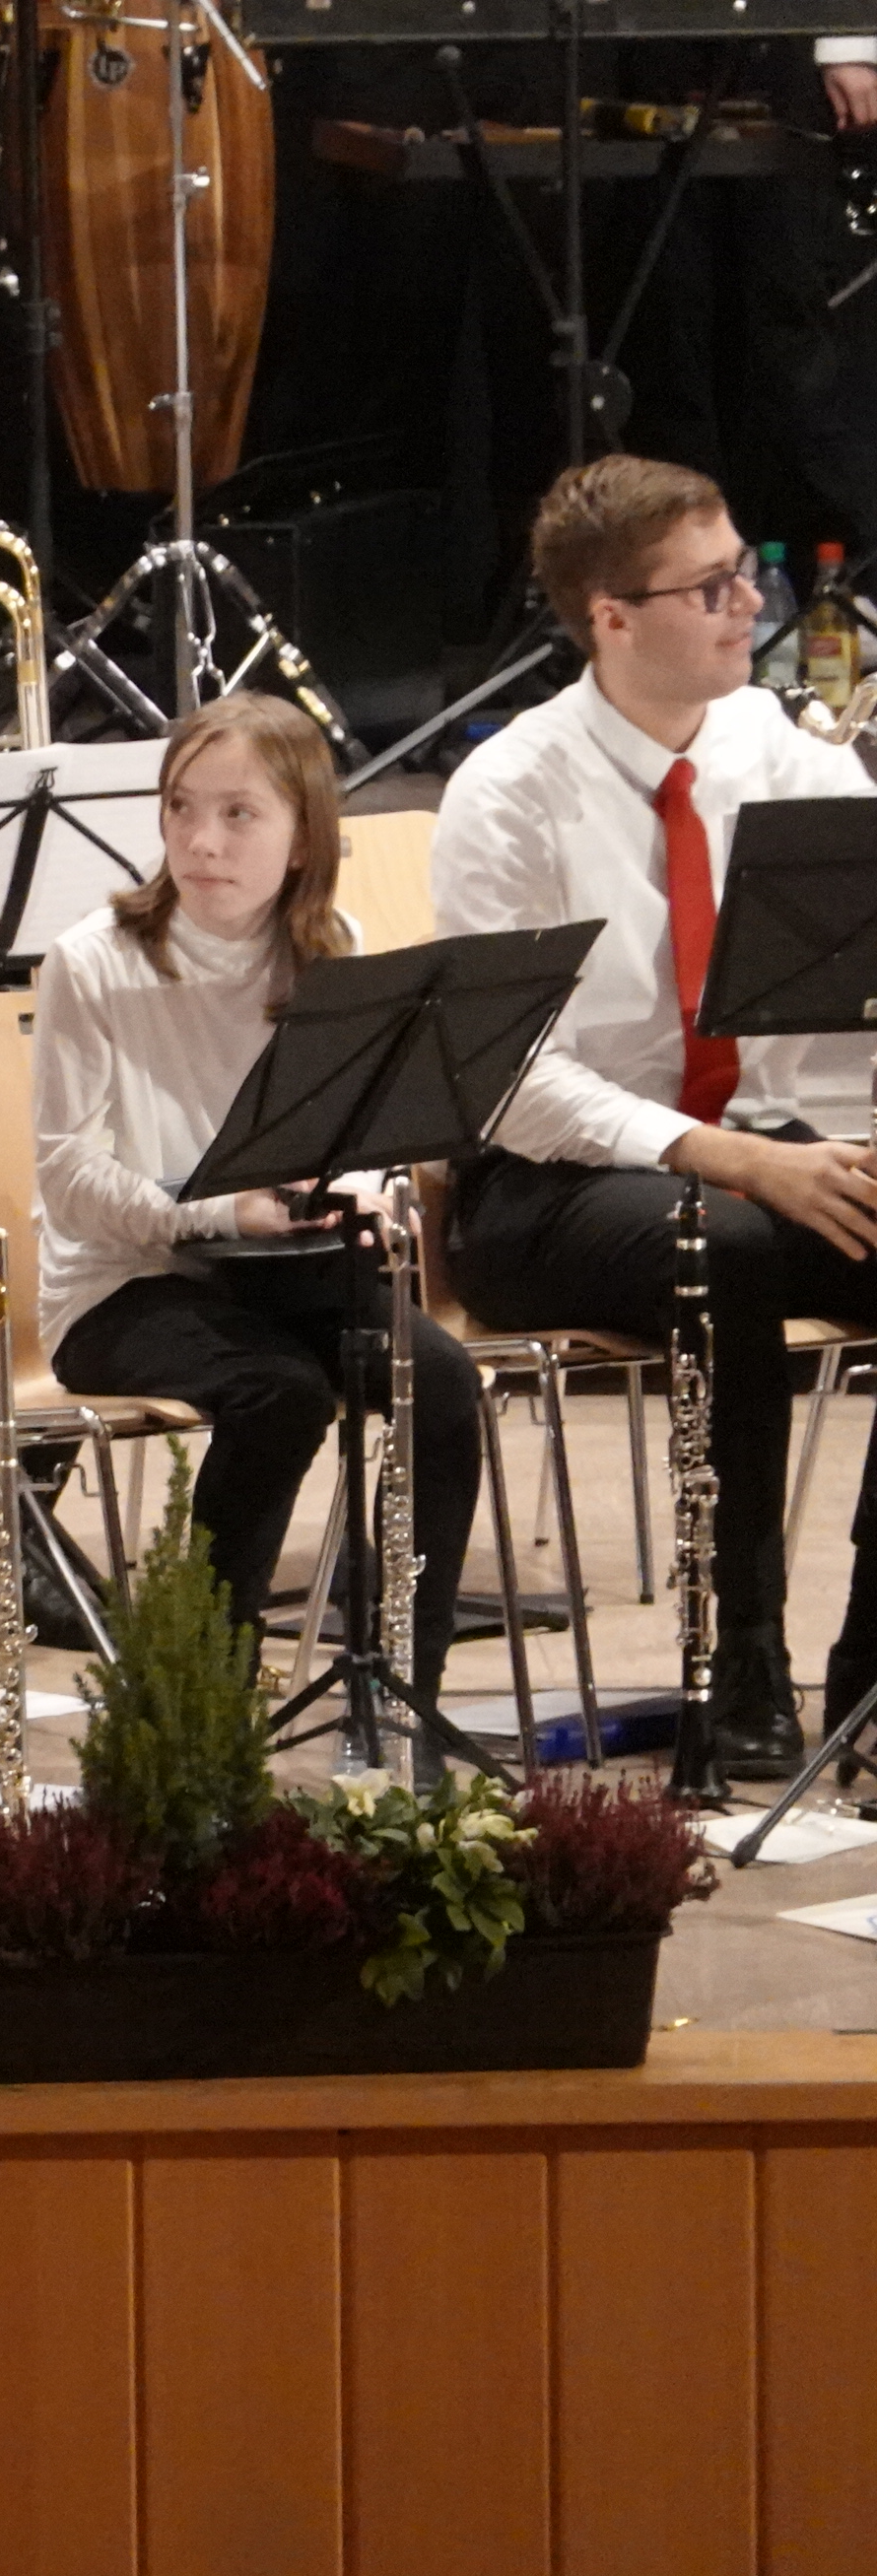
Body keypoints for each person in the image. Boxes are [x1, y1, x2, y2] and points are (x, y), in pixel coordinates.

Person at [434, 452, 877, 1776]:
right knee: (717, 1243)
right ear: (612, 617)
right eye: (712, 587)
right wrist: (731, 1159)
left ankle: (869, 1670)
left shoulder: (777, 753)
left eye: (745, 574)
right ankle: (743, 1661)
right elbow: (512, 1081)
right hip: (543, 1189)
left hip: (753, 1155)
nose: (752, 606)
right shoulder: (510, 791)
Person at [35, 694, 484, 1695]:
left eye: (238, 813)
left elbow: (358, 1132)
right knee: (279, 1394)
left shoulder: (332, 945)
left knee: (442, 1384)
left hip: (281, 1273)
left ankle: (405, 1684)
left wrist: (362, 1189)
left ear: (302, 839)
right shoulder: (93, 961)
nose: (201, 840)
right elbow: (67, 1177)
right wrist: (221, 1211)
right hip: (123, 1284)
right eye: (181, 807)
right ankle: (202, 1691)